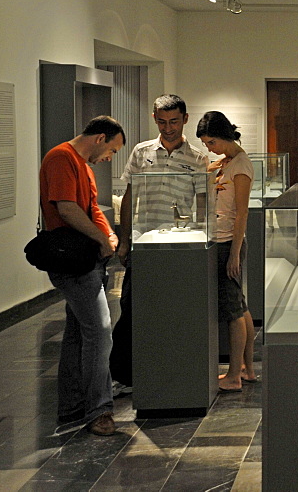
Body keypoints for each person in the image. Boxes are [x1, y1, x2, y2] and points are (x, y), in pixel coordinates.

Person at [110, 95, 208, 395]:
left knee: (175, 309)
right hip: (145, 242)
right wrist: (125, 240)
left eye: (174, 122)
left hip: (181, 246)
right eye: (163, 122)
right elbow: (129, 196)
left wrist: (203, 236)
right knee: (131, 307)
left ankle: (172, 369)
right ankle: (124, 375)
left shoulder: (198, 157)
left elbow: (203, 202)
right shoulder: (141, 152)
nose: (169, 128)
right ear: (155, 119)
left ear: (185, 119)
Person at [39, 115, 125, 436]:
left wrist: (108, 234)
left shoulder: (82, 165)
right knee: (100, 332)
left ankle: (72, 406)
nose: (108, 158)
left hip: (87, 260)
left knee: (79, 332)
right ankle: (98, 410)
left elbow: (91, 207)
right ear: (100, 138)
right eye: (112, 151)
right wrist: (102, 239)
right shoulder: (61, 157)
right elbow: (68, 208)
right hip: (73, 262)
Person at [197, 111, 257, 392]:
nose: (209, 148)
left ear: (223, 137)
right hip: (219, 240)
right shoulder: (225, 162)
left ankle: (234, 374)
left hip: (228, 243)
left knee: (234, 310)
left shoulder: (241, 166)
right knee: (239, 305)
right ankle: (248, 368)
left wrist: (234, 253)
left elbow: (242, 213)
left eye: (211, 142)